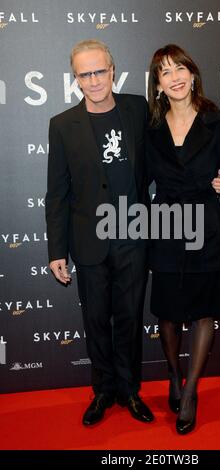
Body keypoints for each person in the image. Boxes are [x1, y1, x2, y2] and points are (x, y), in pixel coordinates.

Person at [45, 39, 154, 426]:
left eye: (99, 71)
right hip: (89, 241)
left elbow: (165, 156)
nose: (93, 80)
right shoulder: (62, 125)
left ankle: (129, 389)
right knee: (95, 319)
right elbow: (56, 193)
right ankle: (103, 390)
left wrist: (212, 174)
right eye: (84, 74)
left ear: (112, 70)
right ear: (75, 78)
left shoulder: (138, 109)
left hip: (134, 235)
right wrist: (56, 250)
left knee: (129, 316)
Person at [147, 44, 220, 434]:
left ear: (193, 73)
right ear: (158, 84)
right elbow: (138, 183)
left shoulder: (218, 121)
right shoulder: (150, 129)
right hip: (166, 226)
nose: (175, 77)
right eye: (165, 72)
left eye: (180, 68)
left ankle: (190, 394)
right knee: (167, 314)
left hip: (208, 226)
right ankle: (173, 374)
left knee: (204, 312)